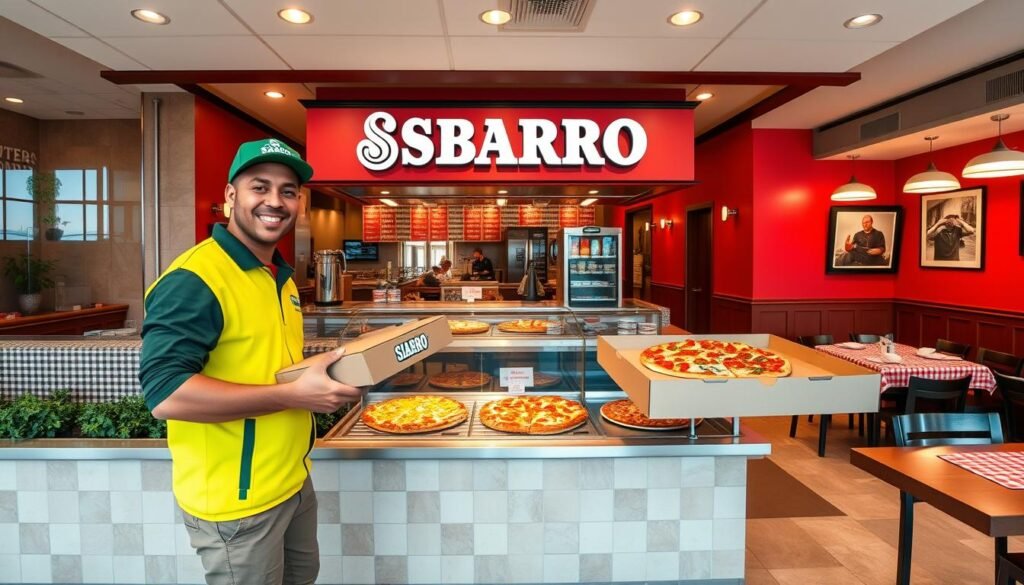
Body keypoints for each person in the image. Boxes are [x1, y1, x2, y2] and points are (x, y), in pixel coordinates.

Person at [140, 138, 362, 585]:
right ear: (230, 195)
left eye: (287, 191)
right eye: (260, 187)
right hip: (237, 501)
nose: (275, 201)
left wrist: (327, 370)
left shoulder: (279, 277)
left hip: (291, 482)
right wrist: (293, 395)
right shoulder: (195, 278)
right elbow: (165, 395)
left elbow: (266, 365)